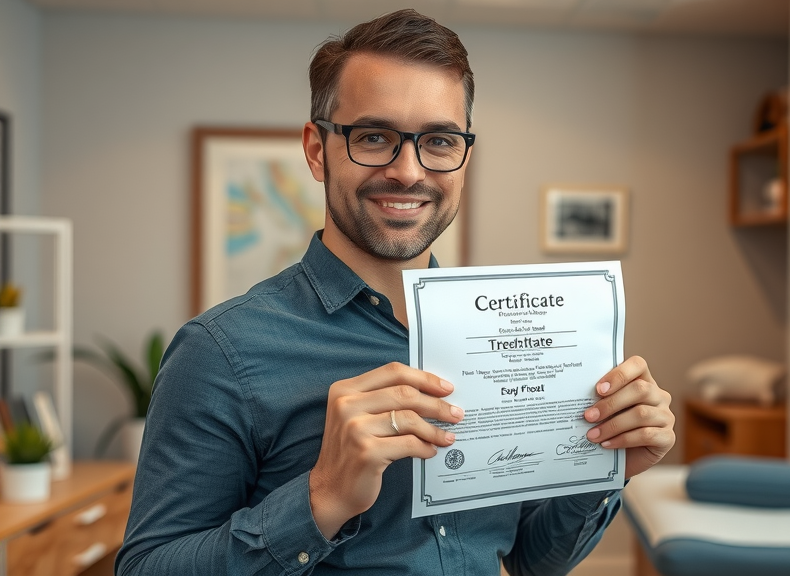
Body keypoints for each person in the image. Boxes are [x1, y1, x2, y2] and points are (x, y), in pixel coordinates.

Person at [116, 9, 674, 576]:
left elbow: (531, 559)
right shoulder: (218, 353)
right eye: (375, 137)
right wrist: (320, 500)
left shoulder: (503, 341)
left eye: (437, 141)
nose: (409, 171)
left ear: (463, 158)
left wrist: (608, 466)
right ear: (317, 150)